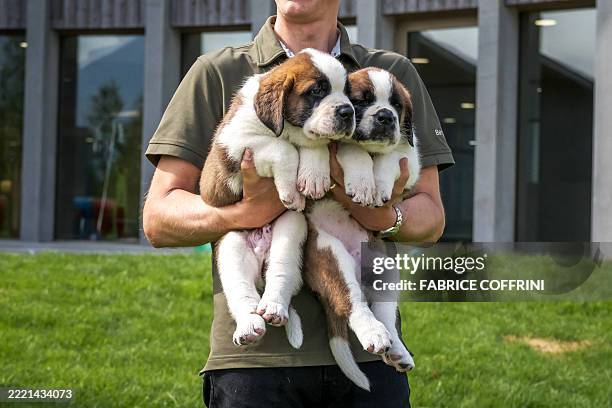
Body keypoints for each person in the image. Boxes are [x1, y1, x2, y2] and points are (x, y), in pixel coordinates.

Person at [143, 1, 454, 406]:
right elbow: (158, 218)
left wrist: (375, 214)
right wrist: (245, 213)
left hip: (372, 354)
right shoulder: (217, 72)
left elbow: (430, 218)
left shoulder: (387, 74)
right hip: (255, 360)